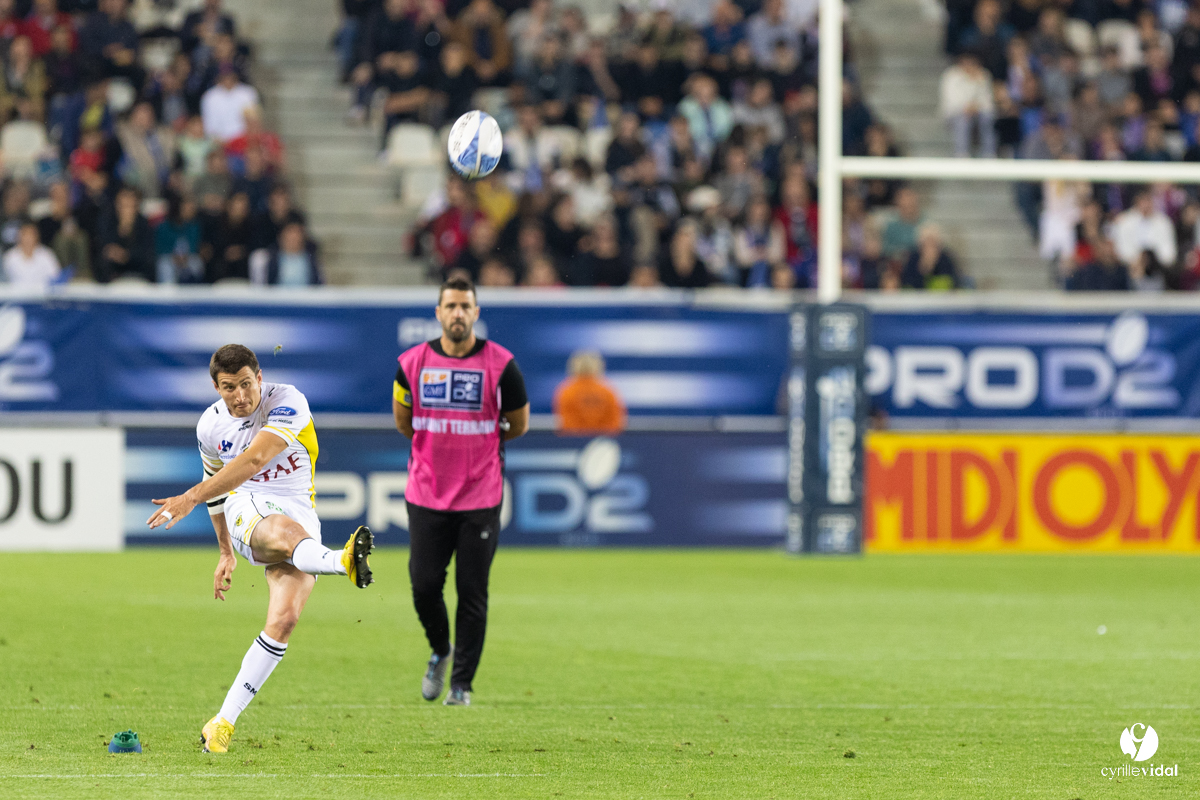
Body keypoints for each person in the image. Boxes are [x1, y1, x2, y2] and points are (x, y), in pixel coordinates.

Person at [146, 344, 375, 753]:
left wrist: (190, 497)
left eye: (247, 384)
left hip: (299, 513)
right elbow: (222, 488)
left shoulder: (288, 401)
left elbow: (254, 459)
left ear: (260, 376)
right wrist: (224, 551)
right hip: (246, 504)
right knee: (285, 533)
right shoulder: (209, 428)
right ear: (216, 387)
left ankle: (221, 724)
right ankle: (342, 562)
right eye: (229, 387)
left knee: (284, 620)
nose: (240, 396)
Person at [392, 276, 529, 707]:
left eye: (465, 306)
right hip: (427, 493)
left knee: (472, 592)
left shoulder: (502, 365)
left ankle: (461, 686)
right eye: (450, 306)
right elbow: (403, 420)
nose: (457, 313)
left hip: (480, 498)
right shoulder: (411, 362)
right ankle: (440, 650)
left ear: (476, 313)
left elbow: (518, 424)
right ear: (438, 313)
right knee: (423, 586)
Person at [553, 351, 626, 434]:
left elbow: (568, 424)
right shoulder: (608, 391)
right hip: (603, 442)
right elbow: (615, 423)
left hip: (575, 441)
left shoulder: (567, 392)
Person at [3, 219, 60, 289]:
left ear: (37, 236)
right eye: (25, 234)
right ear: (19, 236)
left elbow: (56, 278)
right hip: (16, 297)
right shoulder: (10, 257)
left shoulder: (47, 255)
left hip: (42, 297)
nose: (28, 238)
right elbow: (3, 282)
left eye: (31, 234)